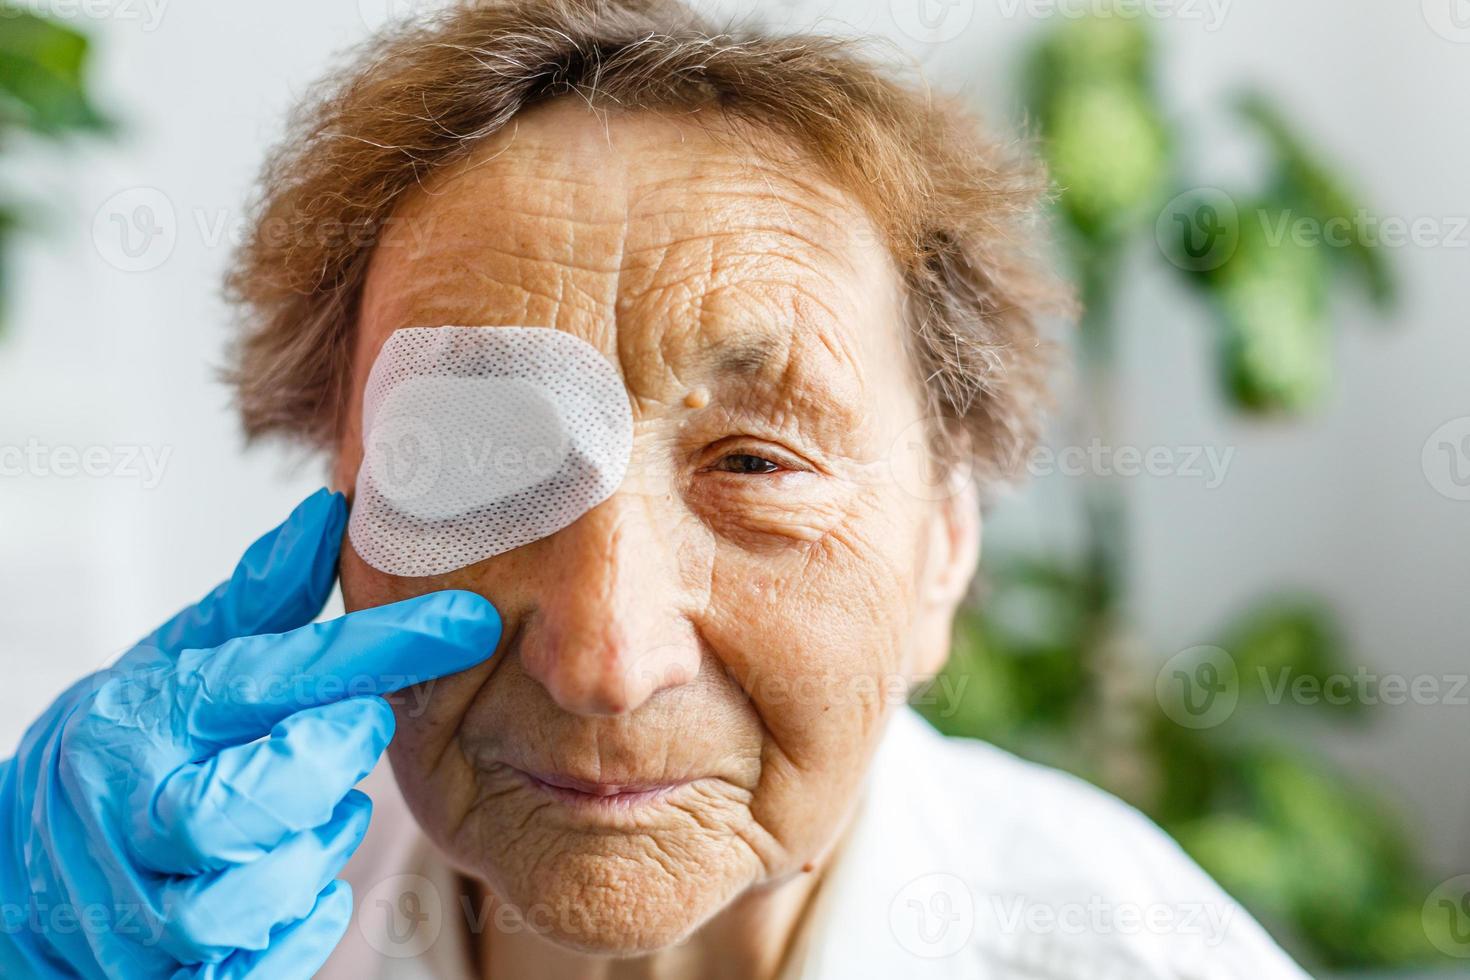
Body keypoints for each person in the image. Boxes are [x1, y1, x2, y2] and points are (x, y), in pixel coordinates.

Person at [0, 1, 1310, 977]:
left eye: (755, 462)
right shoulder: (185, 922)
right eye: (469, 459)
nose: (604, 661)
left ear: (941, 551)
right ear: (336, 516)